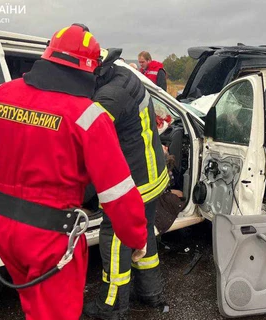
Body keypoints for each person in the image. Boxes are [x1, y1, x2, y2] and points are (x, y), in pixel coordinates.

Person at [0, 24, 148, 320]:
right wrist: (136, 236)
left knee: (32, 303)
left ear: (47, 55)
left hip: (3, 229)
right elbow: (117, 191)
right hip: (51, 237)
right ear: (91, 68)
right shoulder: (88, 116)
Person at [83, 49, 169, 319]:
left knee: (116, 240)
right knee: (144, 237)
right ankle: (150, 292)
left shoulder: (108, 97)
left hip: (134, 183)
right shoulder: (124, 76)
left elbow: (83, 140)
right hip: (152, 176)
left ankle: (112, 306)